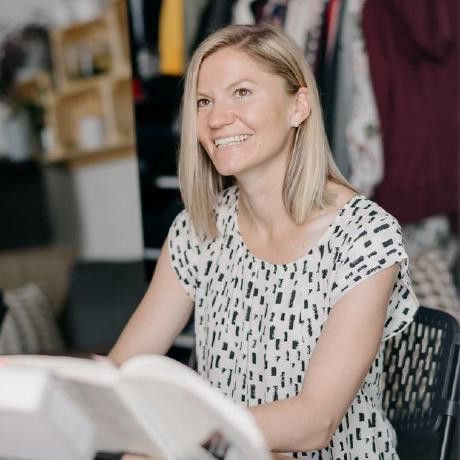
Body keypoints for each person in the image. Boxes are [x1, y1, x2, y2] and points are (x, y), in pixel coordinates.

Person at [110, 24, 419, 459]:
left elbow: (316, 421)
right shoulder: (198, 229)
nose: (217, 118)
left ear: (299, 106)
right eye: (204, 101)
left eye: (241, 92)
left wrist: (186, 435)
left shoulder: (364, 236)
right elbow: (123, 374)